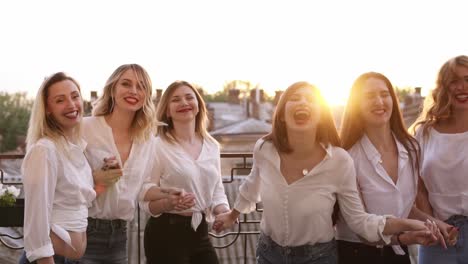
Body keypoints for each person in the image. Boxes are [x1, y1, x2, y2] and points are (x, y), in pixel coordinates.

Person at [213, 81, 437, 264]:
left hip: (318, 257)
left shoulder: (339, 161)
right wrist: (232, 215)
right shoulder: (264, 148)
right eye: (294, 98)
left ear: (321, 114)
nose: (303, 102)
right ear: (281, 114)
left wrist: (408, 224)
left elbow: (358, 221)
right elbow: (252, 186)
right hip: (269, 254)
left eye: (311, 99)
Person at [80, 64, 183, 264]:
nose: (134, 91)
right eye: (126, 84)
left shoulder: (147, 140)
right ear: (112, 89)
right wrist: (96, 177)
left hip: (119, 237)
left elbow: (141, 189)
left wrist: (167, 193)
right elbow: (66, 182)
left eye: (141, 86)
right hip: (83, 231)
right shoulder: (85, 128)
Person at [336, 72, 443, 264]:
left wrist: (438, 225)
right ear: (356, 106)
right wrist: (407, 235)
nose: (379, 101)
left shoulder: (411, 148)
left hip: (398, 252)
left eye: (384, 94)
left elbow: (404, 206)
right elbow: (362, 227)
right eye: (369, 96)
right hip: (356, 255)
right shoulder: (348, 157)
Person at [139, 81, 230, 264]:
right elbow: (143, 192)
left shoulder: (211, 145)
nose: (184, 103)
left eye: (189, 97)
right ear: (167, 110)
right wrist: (167, 202)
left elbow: (217, 188)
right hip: (166, 233)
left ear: (198, 106)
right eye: (176, 100)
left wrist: (223, 212)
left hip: (200, 230)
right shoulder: (157, 146)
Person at [21, 72, 96, 264]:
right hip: (48, 260)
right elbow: (36, 216)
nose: (71, 105)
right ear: (47, 109)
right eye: (60, 100)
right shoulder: (45, 150)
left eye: (74, 96)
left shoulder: (75, 149)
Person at [412, 55, 468, 264]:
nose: (462, 87)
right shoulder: (424, 133)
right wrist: (432, 224)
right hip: (438, 237)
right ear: (444, 88)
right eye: (454, 81)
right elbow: (417, 187)